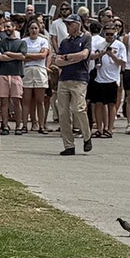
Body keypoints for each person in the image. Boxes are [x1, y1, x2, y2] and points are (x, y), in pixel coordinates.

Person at [53, 11, 95, 155]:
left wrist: (67, 58)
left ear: (78, 24)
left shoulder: (86, 38)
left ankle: (87, 135)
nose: (68, 26)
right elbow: (57, 61)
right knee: (63, 113)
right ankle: (68, 145)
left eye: (70, 24)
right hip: (64, 79)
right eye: (66, 24)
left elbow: (84, 55)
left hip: (79, 78)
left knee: (78, 108)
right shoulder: (65, 42)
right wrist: (70, 58)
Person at [88, 26, 123, 138]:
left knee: (111, 104)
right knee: (98, 104)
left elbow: (122, 62)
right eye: (107, 34)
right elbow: (92, 57)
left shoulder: (120, 45)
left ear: (115, 34)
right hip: (99, 78)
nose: (109, 36)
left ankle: (109, 129)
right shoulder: (99, 44)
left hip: (112, 78)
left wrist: (111, 54)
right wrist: (102, 53)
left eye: (111, 34)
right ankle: (99, 128)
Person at [20, 18, 51, 134]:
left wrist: (29, 55)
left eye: (36, 28)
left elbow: (43, 55)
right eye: (32, 28)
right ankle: (24, 125)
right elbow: (22, 56)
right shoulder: (23, 41)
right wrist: (35, 55)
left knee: (40, 100)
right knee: (26, 100)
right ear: (28, 29)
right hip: (27, 70)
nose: (33, 30)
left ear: (39, 29)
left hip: (40, 70)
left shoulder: (43, 41)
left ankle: (41, 125)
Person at [0, 20, 25, 134]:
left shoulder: (21, 42)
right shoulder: (1, 43)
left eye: (9, 26)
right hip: (2, 74)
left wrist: (9, 53)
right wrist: (16, 56)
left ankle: (18, 126)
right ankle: (5, 126)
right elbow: (1, 57)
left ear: (14, 27)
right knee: (4, 102)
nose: (7, 28)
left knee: (17, 101)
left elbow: (23, 56)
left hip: (16, 74)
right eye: (5, 27)